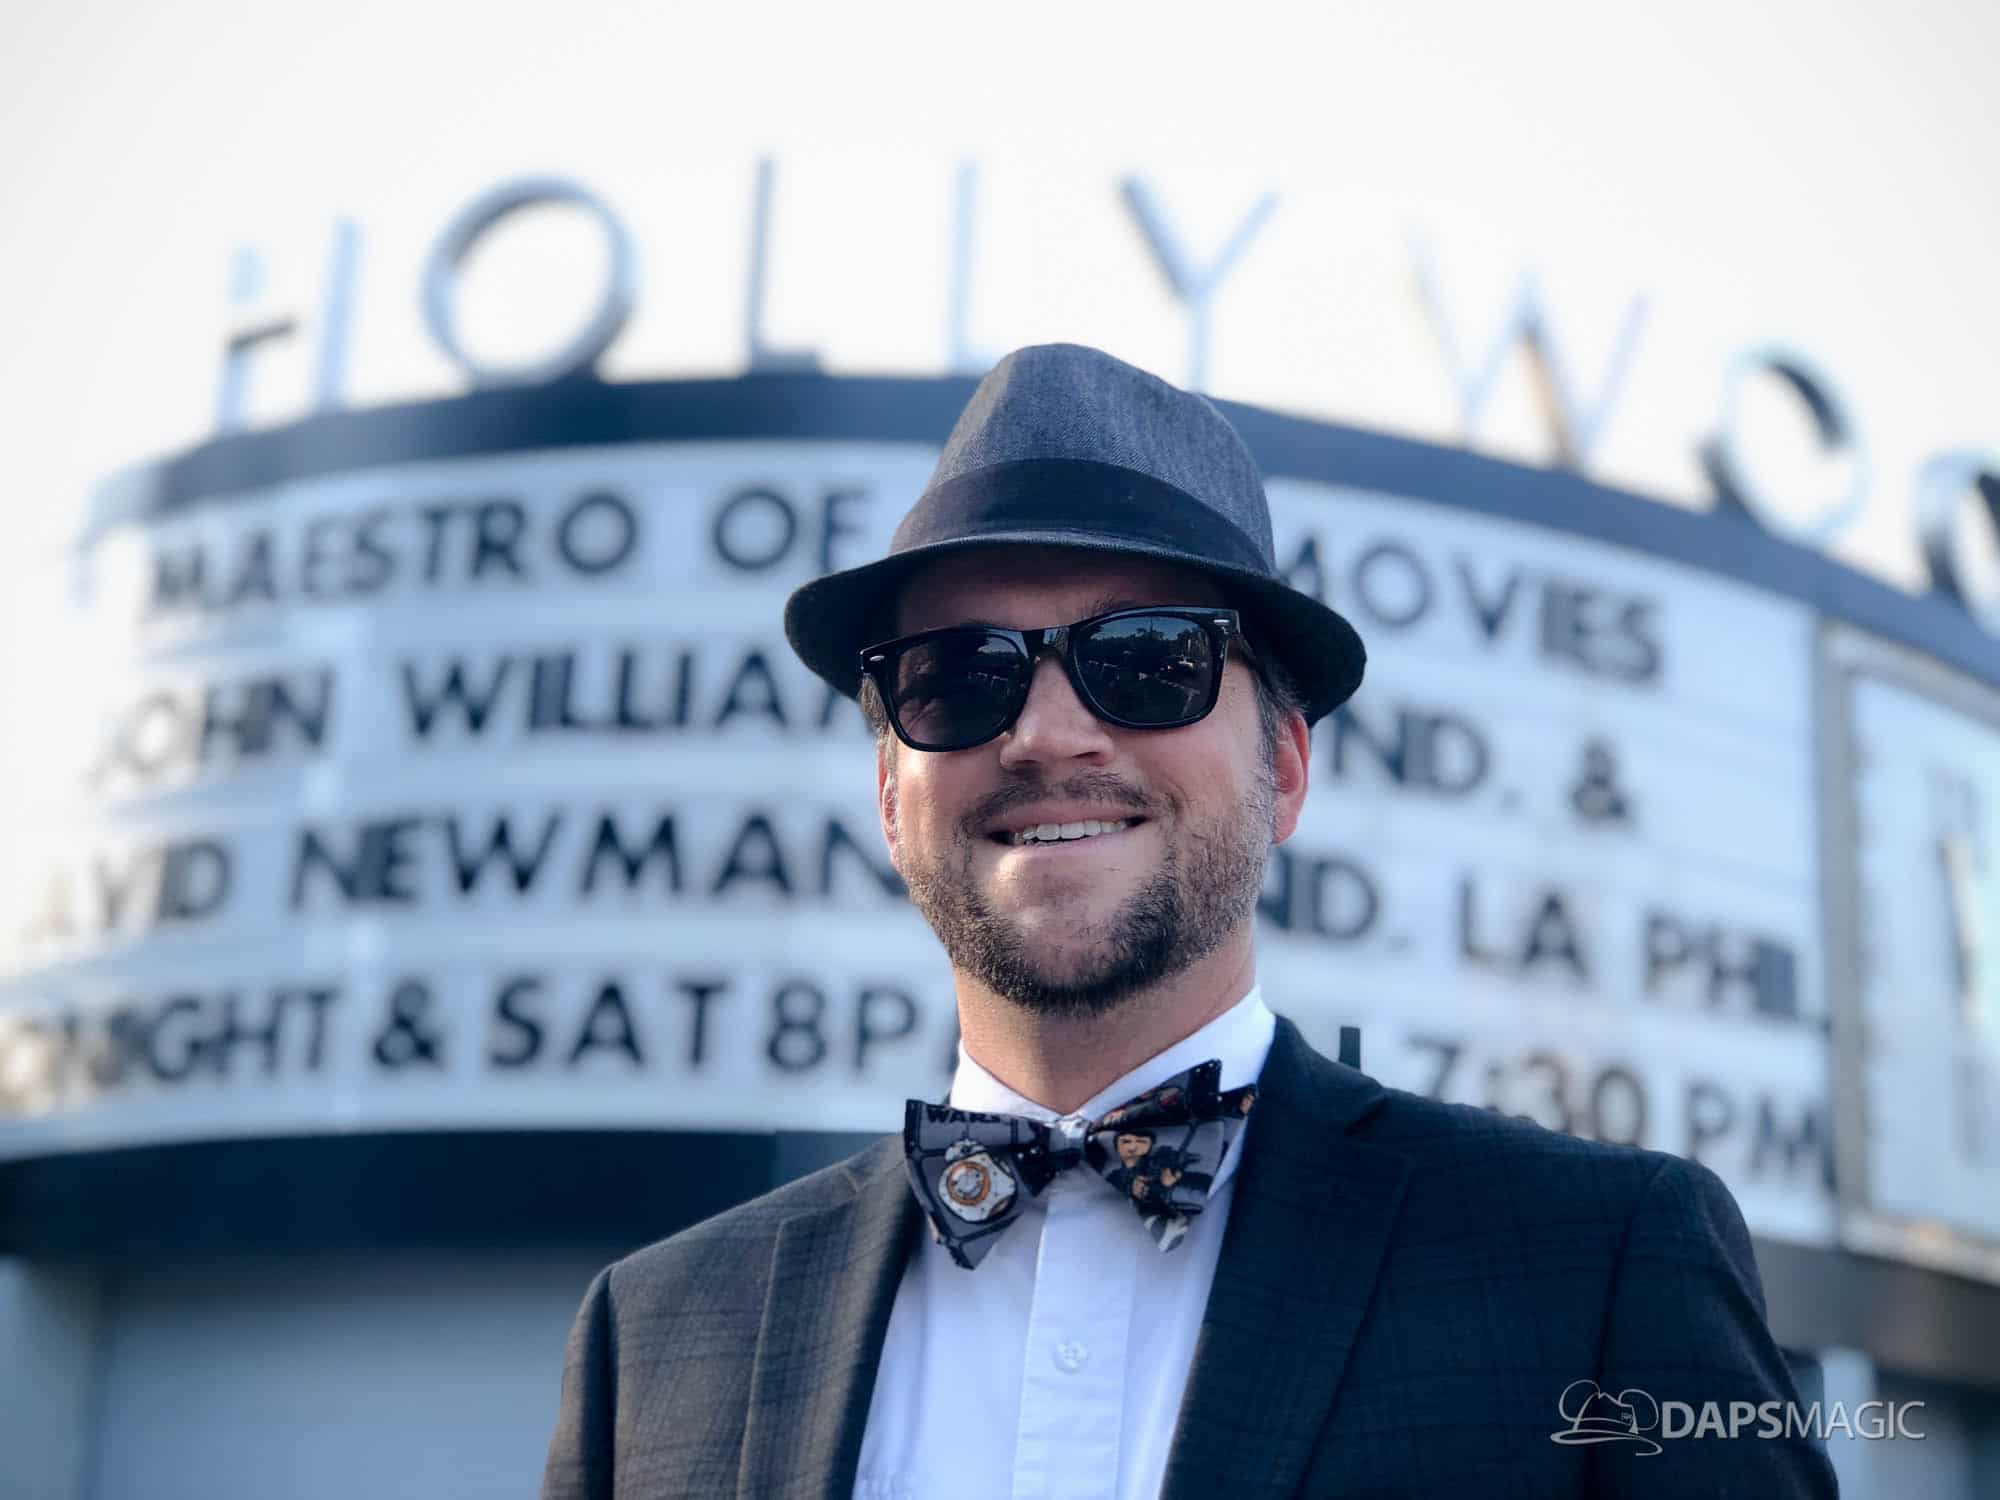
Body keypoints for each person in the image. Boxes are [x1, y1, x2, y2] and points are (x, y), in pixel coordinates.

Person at [539, 344, 1837, 1498]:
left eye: (1149, 661)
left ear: (1287, 767)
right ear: (890, 794)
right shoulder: (650, 1345)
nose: (1046, 736)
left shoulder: (1595, 1268)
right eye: (959, 677)